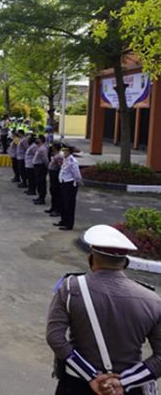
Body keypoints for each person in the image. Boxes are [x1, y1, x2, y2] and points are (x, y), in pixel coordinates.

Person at [46, 224, 161, 395]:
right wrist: (123, 382)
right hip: (127, 389)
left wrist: (92, 376)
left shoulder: (71, 288)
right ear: (126, 263)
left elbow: (55, 338)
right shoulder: (152, 300)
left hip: (77, 385)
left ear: (91, 259)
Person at [57, 146, 82, 231]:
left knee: (69, 205)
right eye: (63, 151)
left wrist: (79, 181)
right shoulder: (66, 159)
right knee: (63, 203)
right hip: (63, 183)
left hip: (70, 184)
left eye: (65, 151)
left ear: (69, 152)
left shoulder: (72, 161)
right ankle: (63, 221)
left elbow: (76, 174)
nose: (64, 152)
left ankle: (69, 224)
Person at [46, 143, 64, 218]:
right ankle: (53, 208)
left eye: (53, 147)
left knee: (56, 193)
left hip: (55, 175)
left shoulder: (59, 156)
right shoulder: (54, 155)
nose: (51, 148)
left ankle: (57, 210)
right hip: (52, 174)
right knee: (52, 191)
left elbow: (60, 167)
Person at [32, 135, 49, 205]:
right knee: (38, 182)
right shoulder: (39, 147)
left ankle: (42, 198)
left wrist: (47, 167)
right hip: (37, 167)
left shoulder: (43, 149)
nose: (36, 140)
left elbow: (45, 159)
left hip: (41, 167)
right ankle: (39, 197)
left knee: (41, 182)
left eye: (38, 139)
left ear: (41, 140)